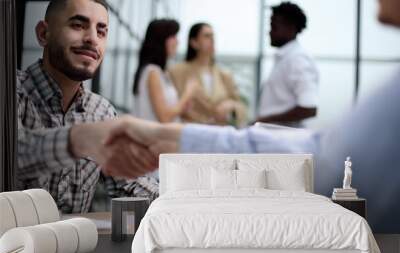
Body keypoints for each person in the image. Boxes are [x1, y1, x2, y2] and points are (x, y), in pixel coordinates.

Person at [104, 0, 400, 233]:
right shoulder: (173, 73)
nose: (269, 29)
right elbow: (173, 114)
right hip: (191, 147)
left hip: (266, 149)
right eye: (204, 36)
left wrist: (241, 113)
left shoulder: (244, 71)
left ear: (290, 27)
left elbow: (297, 112)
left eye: (274, 23)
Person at [17, 0, 158, 213]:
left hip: (74, 245)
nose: (92, 39)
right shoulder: (10, 89)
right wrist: (80, 138)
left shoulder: (101, 112)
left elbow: (130, 184)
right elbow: (14, 153)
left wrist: (191, 200)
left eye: (101, 32)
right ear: (44, 34)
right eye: (78, 25)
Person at [168, 23, 247, 126]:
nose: (212, 40)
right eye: (207, 36)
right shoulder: (177, 71)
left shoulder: (224, 75)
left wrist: (231, 106)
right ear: (194, 43)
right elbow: (171, 106)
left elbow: (241, 107)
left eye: (213, 36)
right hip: (190, 132)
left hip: (219, 133)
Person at [255, 2, 319, 127]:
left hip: (285, 140)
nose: (270, 32)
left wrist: (265, 120)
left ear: (290, 27)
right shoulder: (285, 58)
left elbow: (309, 108)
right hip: (277, 138)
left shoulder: (297, 59)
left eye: (274, 26)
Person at [132, 19, 198, 123]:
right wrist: (187, 94)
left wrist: (182, 107)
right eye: (173, 36)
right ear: (161, 39)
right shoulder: (152, 72)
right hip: (154, 138)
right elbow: (164, 117)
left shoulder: (161, 73)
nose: (177, 42)